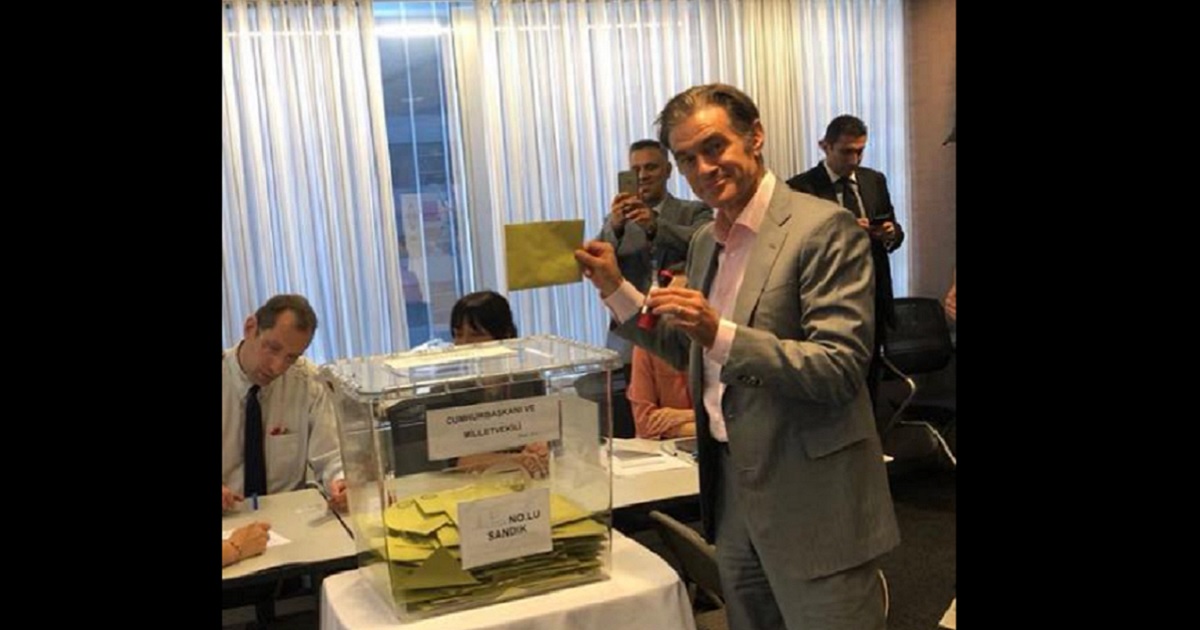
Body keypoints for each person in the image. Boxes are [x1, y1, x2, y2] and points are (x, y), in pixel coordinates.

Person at [576, 84, 898, 630]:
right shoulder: (706, 240)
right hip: (731, 497)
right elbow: (689, 348)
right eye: (686, 159)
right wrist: (616, 289)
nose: (703, 167)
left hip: (814, 501)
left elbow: (839, 368)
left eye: (714, 147)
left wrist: (718, 332)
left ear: (755, 136)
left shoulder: (824, 229)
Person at [786, 115, 905, 410]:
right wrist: (845, 231)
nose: (854, 159)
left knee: (871, 377)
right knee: (833, 377)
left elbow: (895, 231)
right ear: (824, 146)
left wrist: (890, 233)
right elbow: (796, 247)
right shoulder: (801, 188)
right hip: (826, 297)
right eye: (846, 151)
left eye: (860, 151)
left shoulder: (873, 180)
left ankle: (873, 441)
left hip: (873, 294)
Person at [222, 294, 347, 513]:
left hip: (289, 517)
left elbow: (331, 456)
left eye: (291, 358)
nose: (277, 367)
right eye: (272, 348)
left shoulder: (309, 383)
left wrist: (341, 481)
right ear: (251, 328)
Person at [599, 139, 713, 372]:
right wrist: (616, 228)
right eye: (635, 170)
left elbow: (705, 244)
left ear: (668, 171)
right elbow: (598, 263)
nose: (642, 176)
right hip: (630, 339)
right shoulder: (615, 223)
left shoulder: (694, 211)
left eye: (651, 167)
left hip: (679, 335)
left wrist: (655, 226)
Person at [448, 291, 549, 479]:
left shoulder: (526, 380)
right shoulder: (448, 388)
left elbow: (542, 433)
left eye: (475, 335)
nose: (463, 344)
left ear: (505, 335)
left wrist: (540, 446)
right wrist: (512, 460)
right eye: (458, 335)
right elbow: (453, 460)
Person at [627, 274, 695, 439]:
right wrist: (701, 424)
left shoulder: (716, 341)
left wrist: (687, 416)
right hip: (664, 455)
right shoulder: (647, 346)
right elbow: (645, 426)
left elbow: (731, 422)